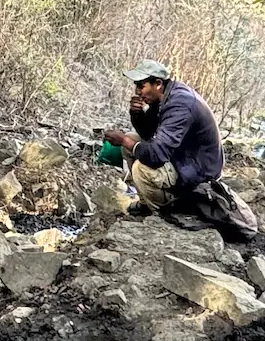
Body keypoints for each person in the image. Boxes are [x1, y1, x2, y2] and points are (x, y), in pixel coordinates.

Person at [103, 61, 254, 239]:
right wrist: (136, 115)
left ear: (157, 84)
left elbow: (156, 155)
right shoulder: (164, 96)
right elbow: (147, 134)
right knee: (131, 142)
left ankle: (161, 212)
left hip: (199, 173)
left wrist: (124, 141)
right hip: (183, 158)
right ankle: (145, 203)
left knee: (141, 169)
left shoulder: (180, 105)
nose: (137, 91)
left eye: (141, 86)